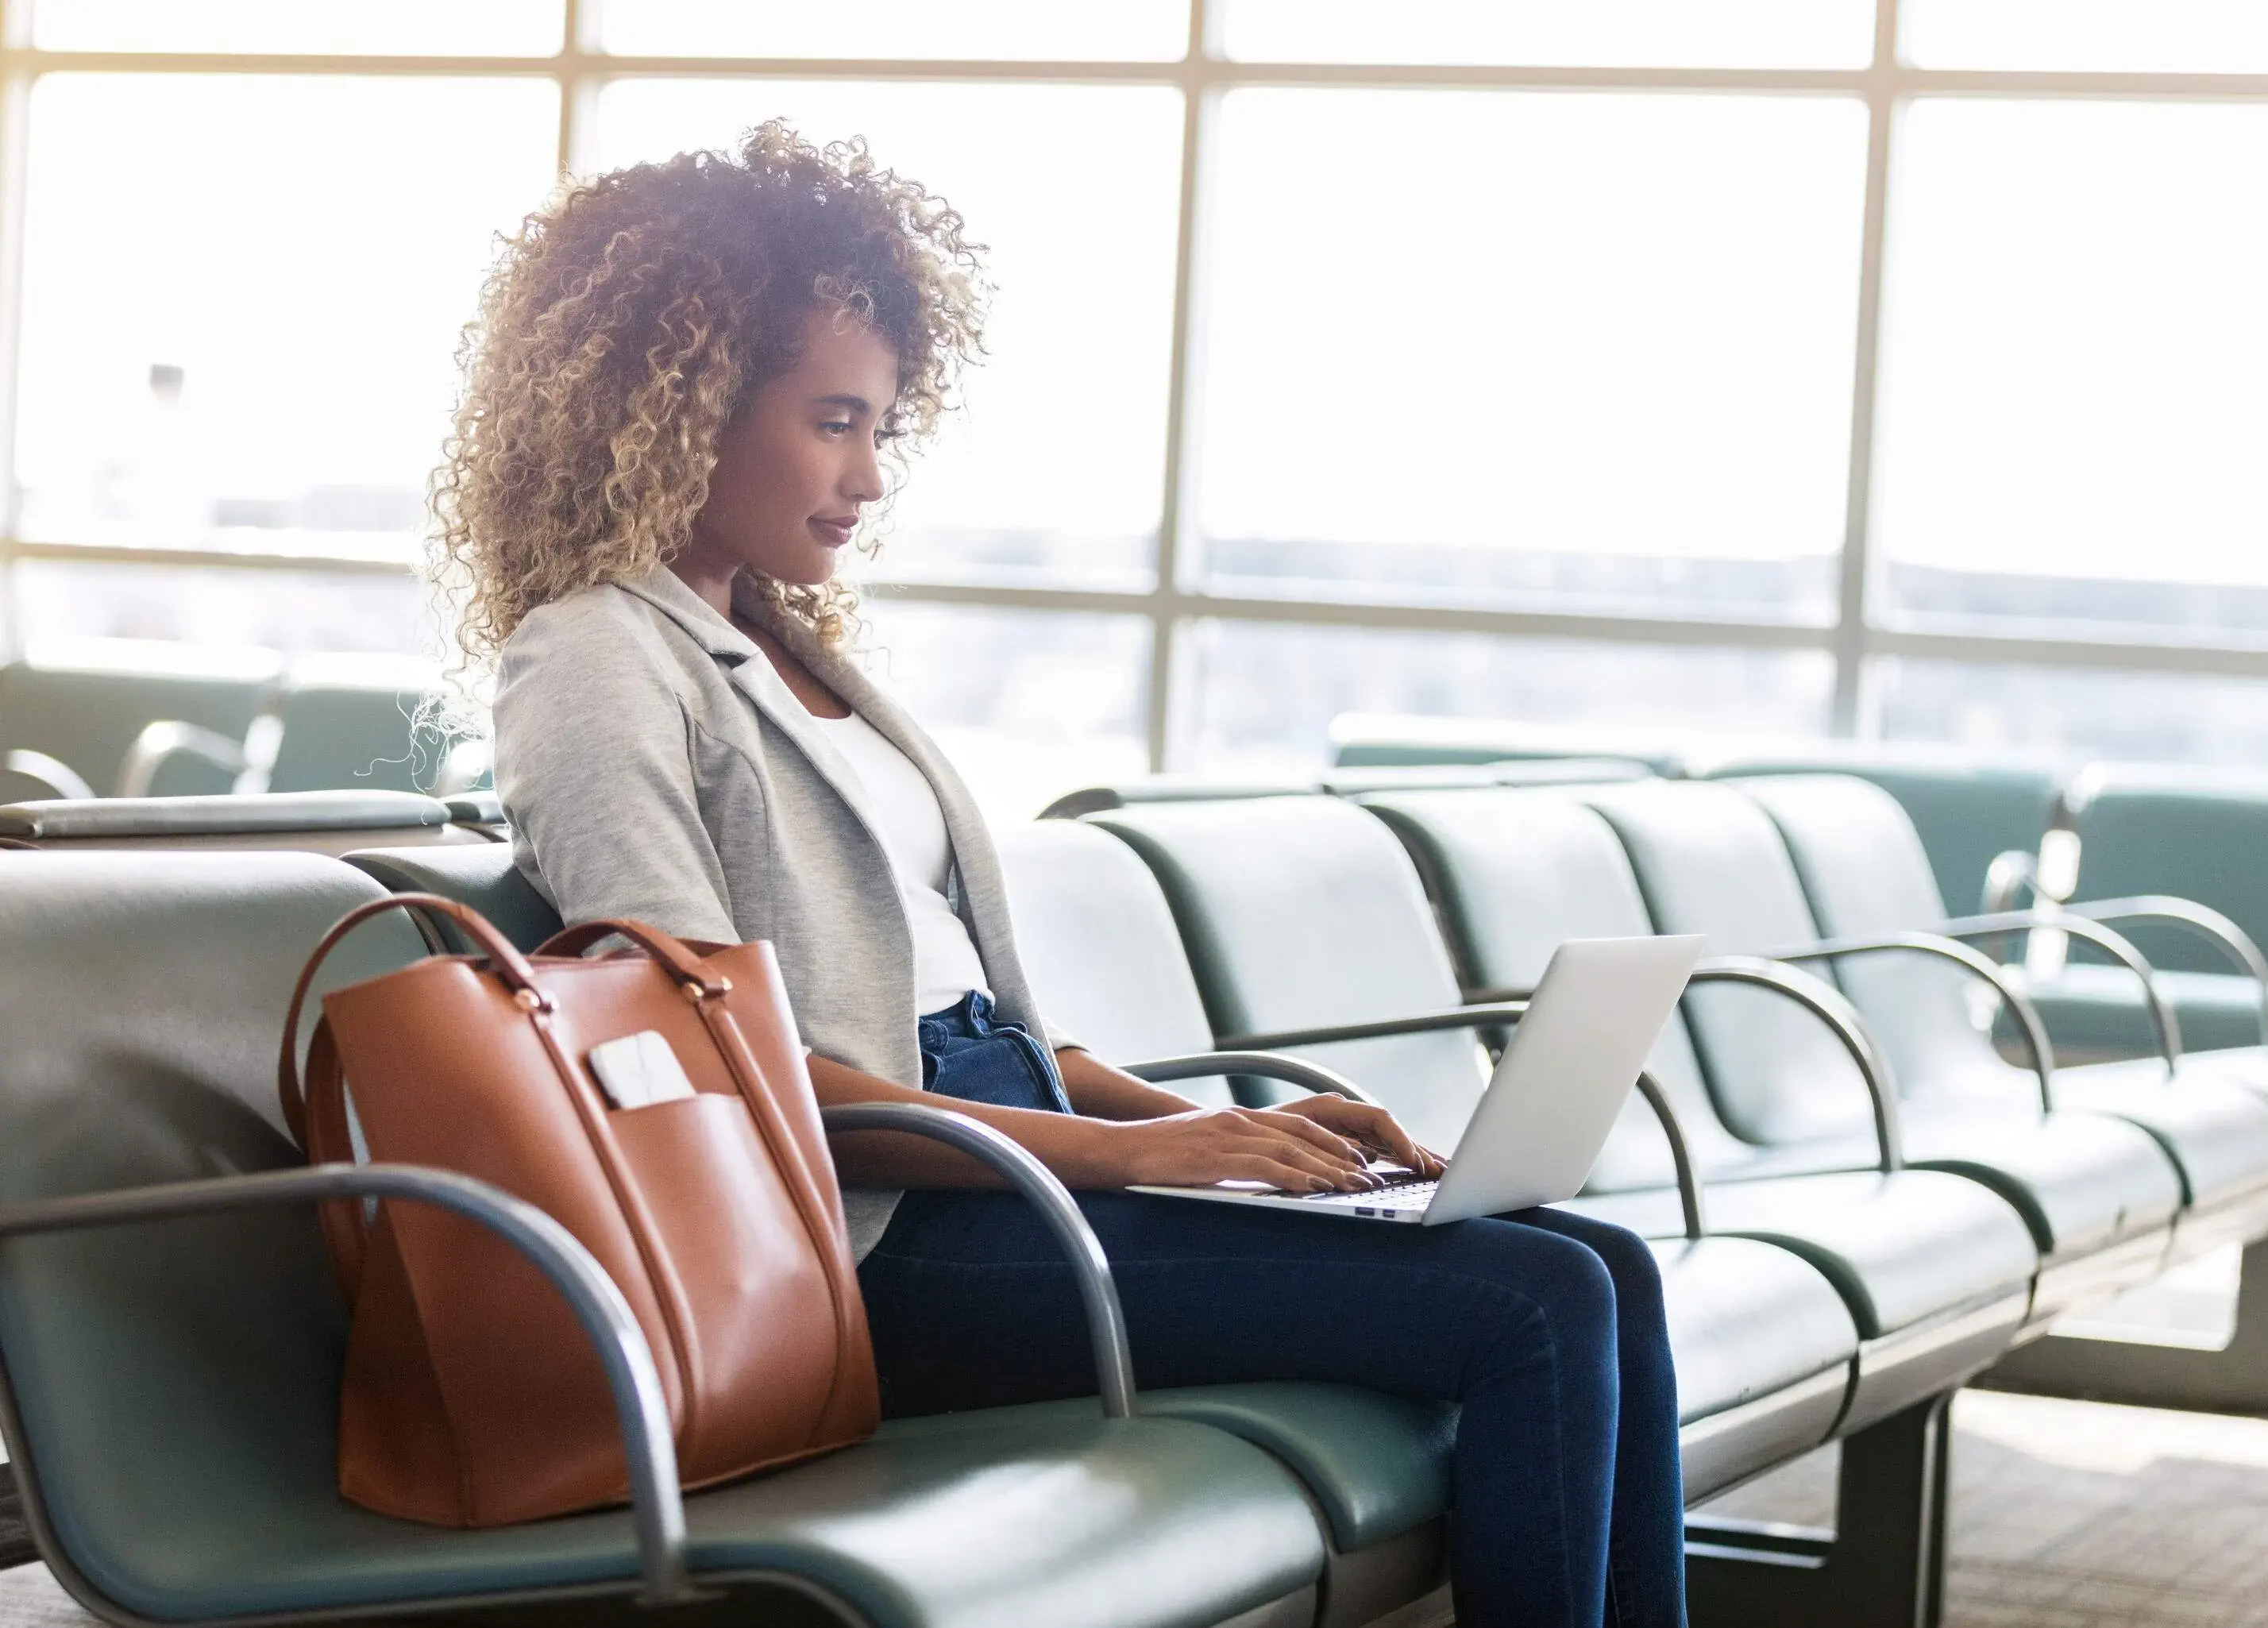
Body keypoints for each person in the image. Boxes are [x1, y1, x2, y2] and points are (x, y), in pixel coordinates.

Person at [434, 123, 1686, 1628]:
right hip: (877, 1245)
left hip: (1010, 1171)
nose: (868, 477)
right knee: (1534, 1300)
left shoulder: (782, 645)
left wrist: (1223, 1127)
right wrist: (1138, 1161)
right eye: (836, 420)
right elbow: (711, 1070)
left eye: (883, 427)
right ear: (681, 403)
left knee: (1606, 1258)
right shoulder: (593, 657)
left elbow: (965, 1011)